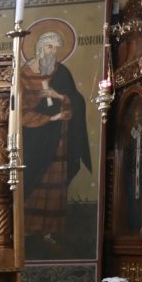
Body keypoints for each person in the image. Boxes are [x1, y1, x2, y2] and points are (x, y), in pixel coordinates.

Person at [19, 30, 90, 246]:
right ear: (40, 47)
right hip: (33, 137)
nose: (54, 52)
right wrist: (48, 117)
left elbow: (76, 101)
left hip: (58, 137)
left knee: (55, 182)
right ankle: (27, 229)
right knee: (32, 180)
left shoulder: (61, 72)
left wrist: (58, 96)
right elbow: (18, 110)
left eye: (57, 48)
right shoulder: (23, 74)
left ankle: (50, 231)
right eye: (50, 47)